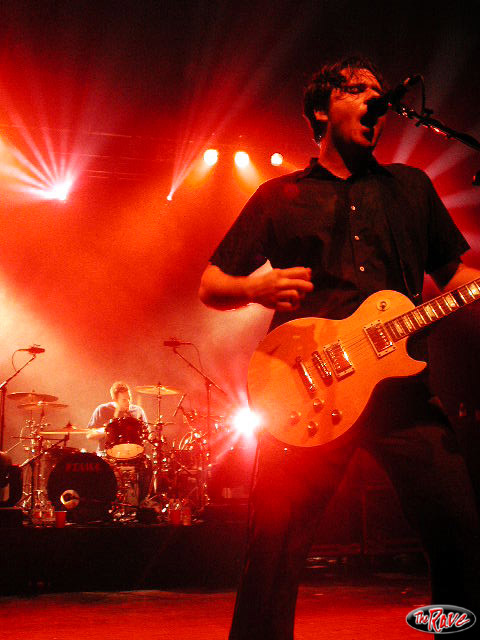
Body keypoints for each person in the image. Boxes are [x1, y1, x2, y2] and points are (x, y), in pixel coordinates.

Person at [199, 55, 480, 639]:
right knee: (272, 548)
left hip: (400, 392)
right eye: (359, 90)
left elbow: (454, 275)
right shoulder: (280, 196)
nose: (375, 99)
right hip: (307, 388)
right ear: (321, 111)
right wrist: (254, 286)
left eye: (379, 91)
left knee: (460, 532)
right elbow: (211, 283)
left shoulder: (411, 188)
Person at [87, 381, 148, 454]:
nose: (128, 402)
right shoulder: (102, 409)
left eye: (129, 398)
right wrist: (108, 431)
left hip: (133, 454)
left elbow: (147, 434)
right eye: (124, 400)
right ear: (115, 400)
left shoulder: (138, 410)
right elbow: (89, 435)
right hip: (106, 454)